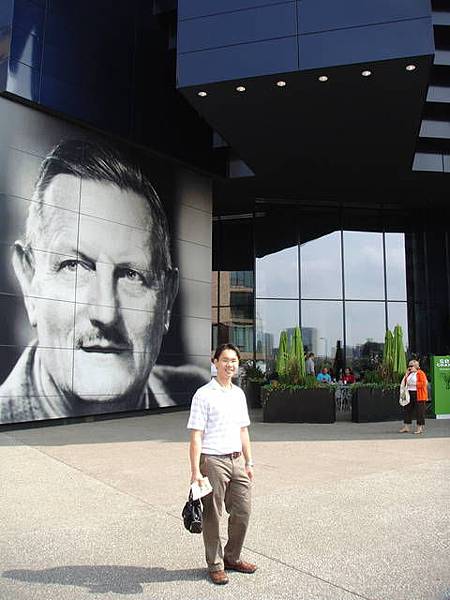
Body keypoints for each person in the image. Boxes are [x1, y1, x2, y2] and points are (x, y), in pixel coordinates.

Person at [0, 139, 207, 424]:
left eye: (131, 275)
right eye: (73, 266)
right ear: (28, 281)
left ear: (167, 299)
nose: (106, 312)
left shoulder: (199, 395)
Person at [187, 343, 256, 585]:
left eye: (234, 361)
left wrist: (249, 462)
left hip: (237, 460)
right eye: (225, 360)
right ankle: (215, 564)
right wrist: (196, 470)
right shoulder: (203, 394)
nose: (230, 365)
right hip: (213, 460)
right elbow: (196, 435)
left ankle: (232, 557)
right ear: (214, 362)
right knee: (213, 515)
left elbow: (243, 430)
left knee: (243, 510)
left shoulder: (238, 394)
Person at [399, 359, 428, 434]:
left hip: (419, 394)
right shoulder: (409, 374)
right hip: (409, 394)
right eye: (409, 366)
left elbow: (423, 384)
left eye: (411, 366)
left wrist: (414, 384)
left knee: (420, 412)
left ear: (416, 366)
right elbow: (404, 382)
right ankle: (406, 427)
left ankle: (419, 428)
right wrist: (406, 374)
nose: (409, 367)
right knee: (407, 410)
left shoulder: (420, 373)